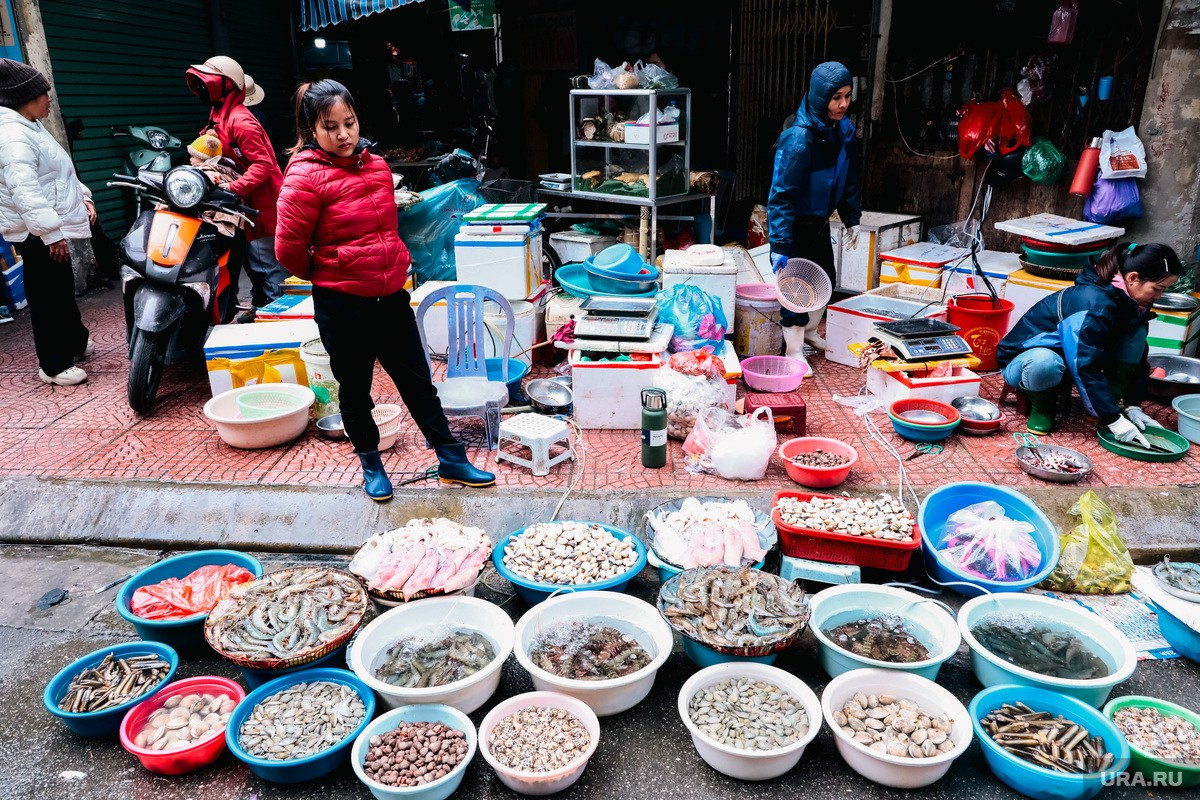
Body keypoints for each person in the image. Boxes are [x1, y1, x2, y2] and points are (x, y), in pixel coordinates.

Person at [274, 80, 495, 501]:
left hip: (391, 296)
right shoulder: (303, 177)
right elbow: (288, 251)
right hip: (342, 304)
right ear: (312, 131)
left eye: (349, 123)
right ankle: (371, 465)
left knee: (418, 382)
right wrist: (332, 270)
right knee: (355, 392)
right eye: (331, 127)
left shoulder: (375, 165)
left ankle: (451, 459)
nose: (344, 135)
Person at [997, 242, 1184, 443]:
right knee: (1044, 361)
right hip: (1025, 363)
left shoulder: (1130, 302)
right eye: (1157, 288)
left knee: (1136, 336)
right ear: (1133, 278)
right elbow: (1083, 363)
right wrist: (1113, 419)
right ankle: (1043, 408)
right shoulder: (1092, 303)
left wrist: (1133, 405)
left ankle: (1103, 405)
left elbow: (1137, 355)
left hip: (1070, 362)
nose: (1159, 296)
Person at [0, 59, 94, 386]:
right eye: (44, 92)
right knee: (47, 295)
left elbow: (58, 171)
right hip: (35, 232)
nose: (49, 98)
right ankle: (53, 365)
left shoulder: (31, 125)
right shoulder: (12, 134)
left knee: (60, 287)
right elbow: (24, 191)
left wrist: (83, 196)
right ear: (23, 96)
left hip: (46, 227)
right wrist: (50, 233)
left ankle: (75, 342)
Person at [767, 61, 862, 370]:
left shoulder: (843, 130)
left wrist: (852, 218)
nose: (844, 104)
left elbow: (848, 178)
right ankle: (792, 350)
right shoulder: (798, 138)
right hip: (795, 225)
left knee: (826, 282)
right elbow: (781, 195)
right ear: (821, 97)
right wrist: (780, 243)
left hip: (820, 222)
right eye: (836, 98)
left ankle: (808, 333)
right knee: (795, 290)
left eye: (847, 96)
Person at [185, 56, 288, 311]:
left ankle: (279, 320)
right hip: (240, 206)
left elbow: (263, 165)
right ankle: (261, 309)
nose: (200, 88)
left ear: (225, 86)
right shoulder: (218, 114)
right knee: (255, 266)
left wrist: (231, 188)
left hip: (262, 208)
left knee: (268, 269)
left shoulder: (241, 121)